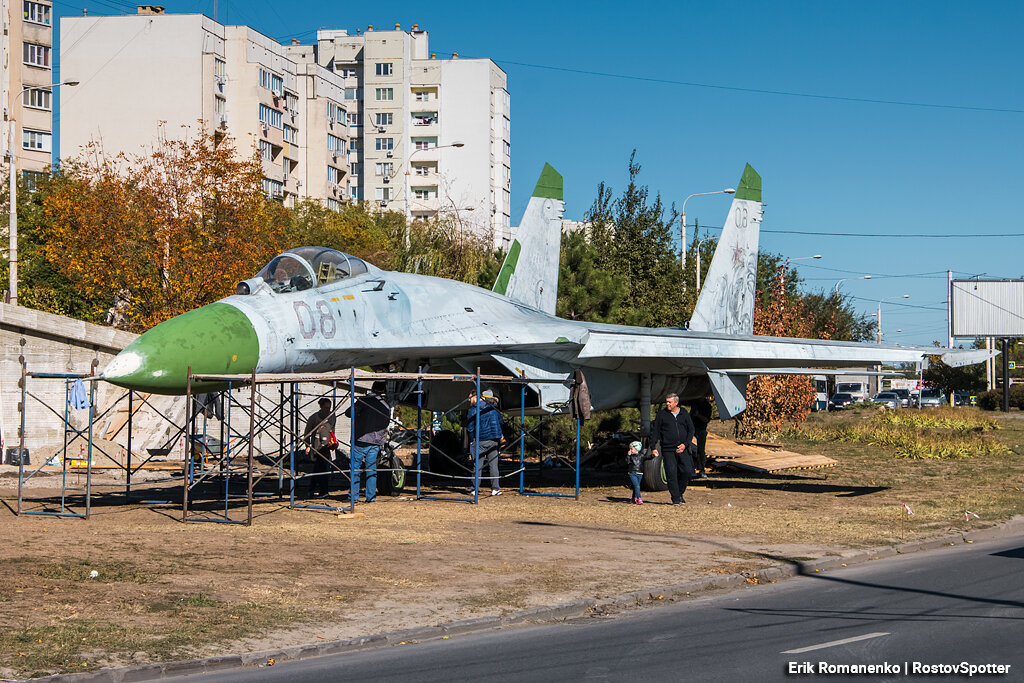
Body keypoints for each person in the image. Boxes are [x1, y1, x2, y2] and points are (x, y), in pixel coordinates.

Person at [349, 383, 391, 504]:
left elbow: (349, 413)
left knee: (355, 469)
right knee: (371, 470)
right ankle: (370, 497)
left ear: (372, 388)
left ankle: (354, 496)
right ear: (383, 390)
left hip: (360, 439)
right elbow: (386, 421)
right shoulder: (385, 405)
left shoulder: (364, 401)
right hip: (375, 441)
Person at [651, 393, 695, 505]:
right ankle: (675, 498)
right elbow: (655, 432)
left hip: (683, 448)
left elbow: (691, 430)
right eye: (666, 402)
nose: (667, 404)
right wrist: (653, 447)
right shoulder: (662, 415)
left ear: (676, 402)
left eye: (669, 402)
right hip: (668, 449)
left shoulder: (684, 413)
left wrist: (685, 444)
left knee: (687, 471)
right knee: (671, 473)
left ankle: (679, 493)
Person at [466, 388, 504, 496]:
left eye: (470, 398)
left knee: (477, 465)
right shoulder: (494, 409)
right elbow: (501, 421)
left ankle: (474, 489)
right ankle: (495, 488)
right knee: (493, 465)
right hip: (493, 440)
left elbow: (470, 428)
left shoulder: (473, 410)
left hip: (480, 440)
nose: (469, 400)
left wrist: (471, 440)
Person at [304, 397, 337, 497]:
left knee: (320, 468)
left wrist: (334, 442)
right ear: (321, 406)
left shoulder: (332, 416)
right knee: (320, 468)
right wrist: (308, 445)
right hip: (317, 446)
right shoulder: (314, 418)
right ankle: (322, 490)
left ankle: (316, 489)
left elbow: (332, 430)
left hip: (328, 446)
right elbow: (307, 433)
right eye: (326, 408)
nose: (328, 410)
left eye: (329, 408)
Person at [688, 395, 714, 478]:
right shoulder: (694, 402)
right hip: (692, 427)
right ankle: (690, 468)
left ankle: (701, 469)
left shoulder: (707, 406)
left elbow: (706, 419)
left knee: (701, 450)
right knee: (687, 446)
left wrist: (697, 415)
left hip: (701, 429)